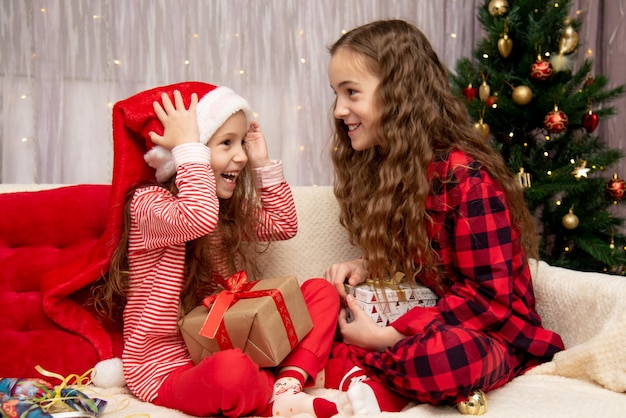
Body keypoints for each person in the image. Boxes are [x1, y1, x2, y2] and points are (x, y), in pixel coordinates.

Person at [322, 19, 565, 414]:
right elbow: (420, 267)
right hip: (428, 321)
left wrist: (388, 336)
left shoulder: (465, 177)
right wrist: (366, 265)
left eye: (351, 93)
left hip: (490, 333)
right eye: (336, 94)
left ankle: (364, 364)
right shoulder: (388, 170)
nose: (339, 110)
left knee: (441, 361)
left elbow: (489, 299)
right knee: (321, 309)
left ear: (399, 95)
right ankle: (368, 364)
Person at [93, 82, 339, 418]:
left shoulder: (222, 210)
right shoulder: (148, 204)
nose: (239, 155)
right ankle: (278, 387)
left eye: (240, 143)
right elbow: (197, 218)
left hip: (233, 338)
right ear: (182, 153)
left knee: (320, 292)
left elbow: (283, 224)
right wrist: (189, 147)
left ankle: (286, 384)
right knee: (230, 372)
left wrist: (262, 162)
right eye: (226, 143)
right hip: (168, 367)